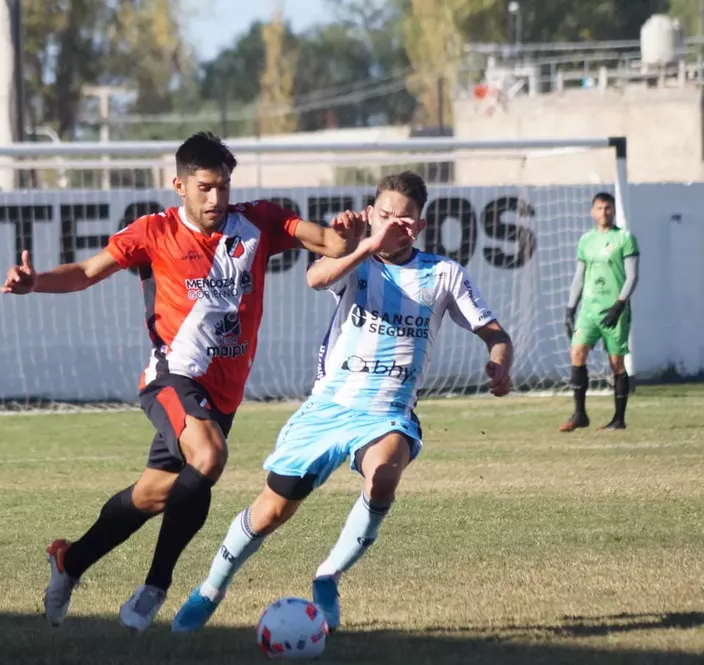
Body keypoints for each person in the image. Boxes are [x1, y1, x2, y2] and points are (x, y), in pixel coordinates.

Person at [1, 131, 363, 632]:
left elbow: (330, 243)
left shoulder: (258, 221)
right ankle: (155, 587)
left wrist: (349, 234)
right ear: (180, 186)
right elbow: (86, 271)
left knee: (156, 494)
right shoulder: (154, 231)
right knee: (209, 457)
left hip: (223, 393)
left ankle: (70, 561)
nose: (216, 198)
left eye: (223, 187)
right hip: (171, 377)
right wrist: (36, 282)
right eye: (205, 187)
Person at [171, 171, 514, 634]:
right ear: (371, 215)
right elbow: (316, 278)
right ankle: (211, 589)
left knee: (384, 474)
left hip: (388, 413)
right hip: (328, 408)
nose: (394, 225)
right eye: (386, 215)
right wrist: (365, 245)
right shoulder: (357, 258)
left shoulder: (443, 273)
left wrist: (499, 361)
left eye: (405, 220)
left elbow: (495, 332)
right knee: (272, 511)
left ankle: (328, 576)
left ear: (420, 227)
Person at [561, 192, 639, 432]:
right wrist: (570, 308)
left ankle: (619, 419)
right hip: (589, 310)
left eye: (608, 208)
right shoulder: (586, 240)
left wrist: (619, 304)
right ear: (592, 211)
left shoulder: (625, 238)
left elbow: (632, 276)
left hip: (615, 310)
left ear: (613, 210)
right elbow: (579, 276)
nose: (604, 212)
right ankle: (579, 414)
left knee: (616, 363)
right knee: (577, 352)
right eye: (599, 208)